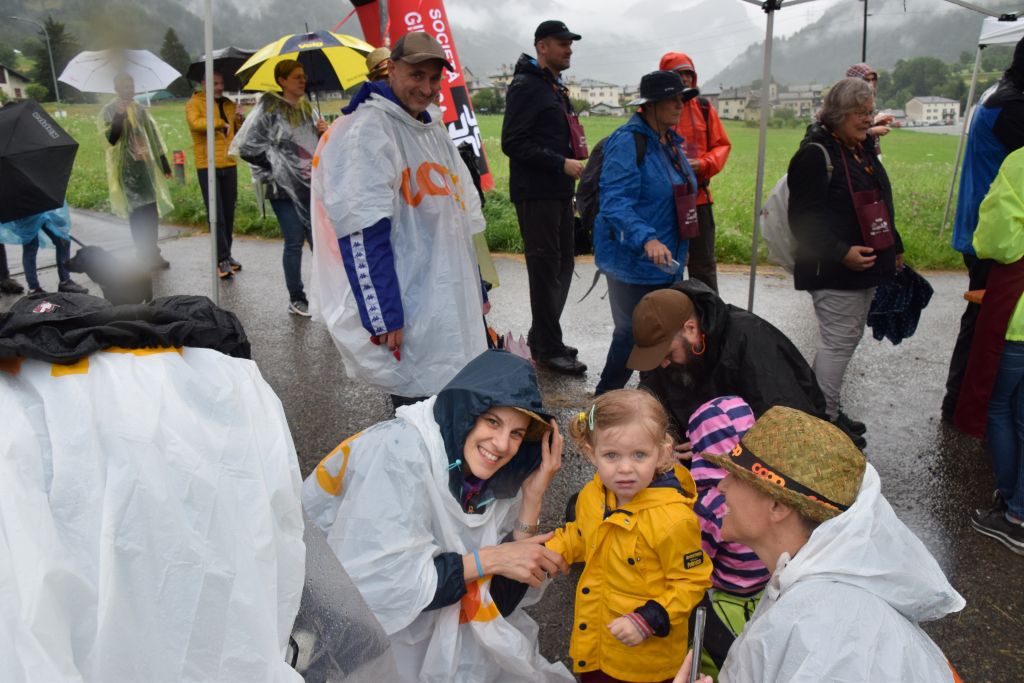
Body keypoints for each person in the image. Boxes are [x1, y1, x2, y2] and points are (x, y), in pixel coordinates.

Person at [301, 350, 575, 682]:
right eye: (492, 421)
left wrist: (532, 496)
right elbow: (376, 592)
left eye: (517, 433)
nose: (502, 444)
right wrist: (489, 559)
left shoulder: (493, 479)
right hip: (343, 634)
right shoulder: (400, 453)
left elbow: (497, 601)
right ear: (465, 413)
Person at [672, 406, 965, 683]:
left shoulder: (824, 630)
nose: (722, 486)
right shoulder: (807, 586)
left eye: (736, 477)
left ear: (777, 506)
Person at [311, 32, 489, 412]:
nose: (426, 88)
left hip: (446, 293)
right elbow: (361, 229)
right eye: (417, 75)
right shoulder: (368, 131)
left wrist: (478, 287)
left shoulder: (431, 130)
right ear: (392, 69)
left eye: (434, 79)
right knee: (418, 409)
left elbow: (464, 218)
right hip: (405, 298)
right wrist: (384, 314)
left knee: (454, 401)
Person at [545, 389, 711, 683]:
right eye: (611, 455)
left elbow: (692, 581)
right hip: (596, 644)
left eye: (639, 455)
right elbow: (582, 534)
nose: (625, 468)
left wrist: (649, 619)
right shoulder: (593, 495)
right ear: (591, 452)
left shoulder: (673, 520)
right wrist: (552, 551)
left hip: (645, 665)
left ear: (662, 452)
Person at [787, 76, 904, 449]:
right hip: (834, 270)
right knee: (838, 343)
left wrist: (894, 244)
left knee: (846, 339)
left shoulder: (858, 148)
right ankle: (822, 420)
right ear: (838, 114)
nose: (868, 119)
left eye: (870, 111)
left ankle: (829, 409)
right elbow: (802, 221)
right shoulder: (814, 155)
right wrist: (841, 252)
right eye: (859, 113)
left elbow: (879, 201)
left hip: (858, 270)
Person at [593, 70, 698, 395]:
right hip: (632, 263)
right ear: (650, 105)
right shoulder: (628, 142)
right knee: (631, 336)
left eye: (682, 98)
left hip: (666, 262)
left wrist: (680, 246)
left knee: (661, 338)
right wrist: (647, 239)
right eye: (672, 99)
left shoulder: (669, 143)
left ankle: (650, 406)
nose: (679, 105)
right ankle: (602, 404)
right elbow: (614, 202)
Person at [628, 281, 828, 449]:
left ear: (691, 329)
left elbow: (788, 425)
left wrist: (720, 449)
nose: (662, 364)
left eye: (668, 354)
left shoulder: (751, 340)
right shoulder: (665, 348)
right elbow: (649, 405)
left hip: (753, 457)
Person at [943, 36, 1024, 422]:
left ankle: (963, 402)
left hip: (986, 226)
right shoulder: (1012, 106)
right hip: (995, 234)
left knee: (981, 319)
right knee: (988, 323)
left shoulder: (1000, 93)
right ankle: (966, 406)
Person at [501, 20, 587, 376]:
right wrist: (560, 163)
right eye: (562, 43)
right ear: (542, 46)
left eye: (570, 43)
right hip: (536, 194)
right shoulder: (527, 86)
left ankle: (543, 337)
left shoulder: (553, 86)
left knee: (562, 266)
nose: (569, 49)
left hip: (559, 192)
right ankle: (548, 349)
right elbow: (512, 142)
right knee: (545, 270)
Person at [956, 146, 1024, 553]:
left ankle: (1014, 512)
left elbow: (997, 242)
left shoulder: (1020, 162)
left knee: (998, 407)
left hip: (1018, 318)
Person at [232, 59, 328, 316]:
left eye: (304, 76)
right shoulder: (269, 109)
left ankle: (327, 293)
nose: (303, 80)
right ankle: (296, 298)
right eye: (297, 77)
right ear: (282, 81)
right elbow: (247, 148)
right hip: (282, 189)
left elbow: (312, 147)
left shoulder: (307, 109)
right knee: (294, 240)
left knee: (318, 241)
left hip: (308, 187)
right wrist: (279, 166)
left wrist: (324, 132)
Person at [685, 396, 769, 679]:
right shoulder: (768, 487)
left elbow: (698, 558)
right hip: (765, 587)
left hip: (726, 591)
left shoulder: (711, 504)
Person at [658, 52, 732, 293]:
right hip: (663, 202)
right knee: (665, 265)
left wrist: (703, 164)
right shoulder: (652, 109)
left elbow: (721, 145)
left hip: (698, 199)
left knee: (704, 267)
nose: (686, 78)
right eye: (679, 74)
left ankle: (708, 314)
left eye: (689, 73)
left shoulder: (703, 107)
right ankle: (668, 312)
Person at [98, 73, 174, 270]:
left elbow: (153, 136)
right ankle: (142, 253)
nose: (129, 90)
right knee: (137, 213)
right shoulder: (109, 110)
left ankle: (153, 252)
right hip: (126, 170)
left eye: (131, 85)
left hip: (145, 167)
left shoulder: (140, 109)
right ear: (116, 89)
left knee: (150, 211)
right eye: (125, 86)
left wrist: (163, 163)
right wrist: (119, 116)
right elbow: (111, 139)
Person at [186, 70, 244, 279]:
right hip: (207, 165)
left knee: (228, 213)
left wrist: (240, 119)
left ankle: (227, 254)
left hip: (228, 163)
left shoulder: (229, 104)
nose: (220, 87)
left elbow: (236, 133)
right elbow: (196, 124)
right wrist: (220, 122)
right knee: (216, 214)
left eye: (221, 83)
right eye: (215, 83)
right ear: (204, 83)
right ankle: (221, 259)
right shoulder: (195, 103)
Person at [0, 204, 88, 295]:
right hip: (26, 209)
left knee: (62, 240)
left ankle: (64, 281)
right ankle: (34, 288)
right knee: (31, 246)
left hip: (42, 205)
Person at [845, 62, 895, 151]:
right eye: (866, 80)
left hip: (870, 151)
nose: (871, 83)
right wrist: (873, 131)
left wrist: (877, 122)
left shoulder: (869, 100)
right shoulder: (846, 104)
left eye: (873, 79)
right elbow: (846, 133)